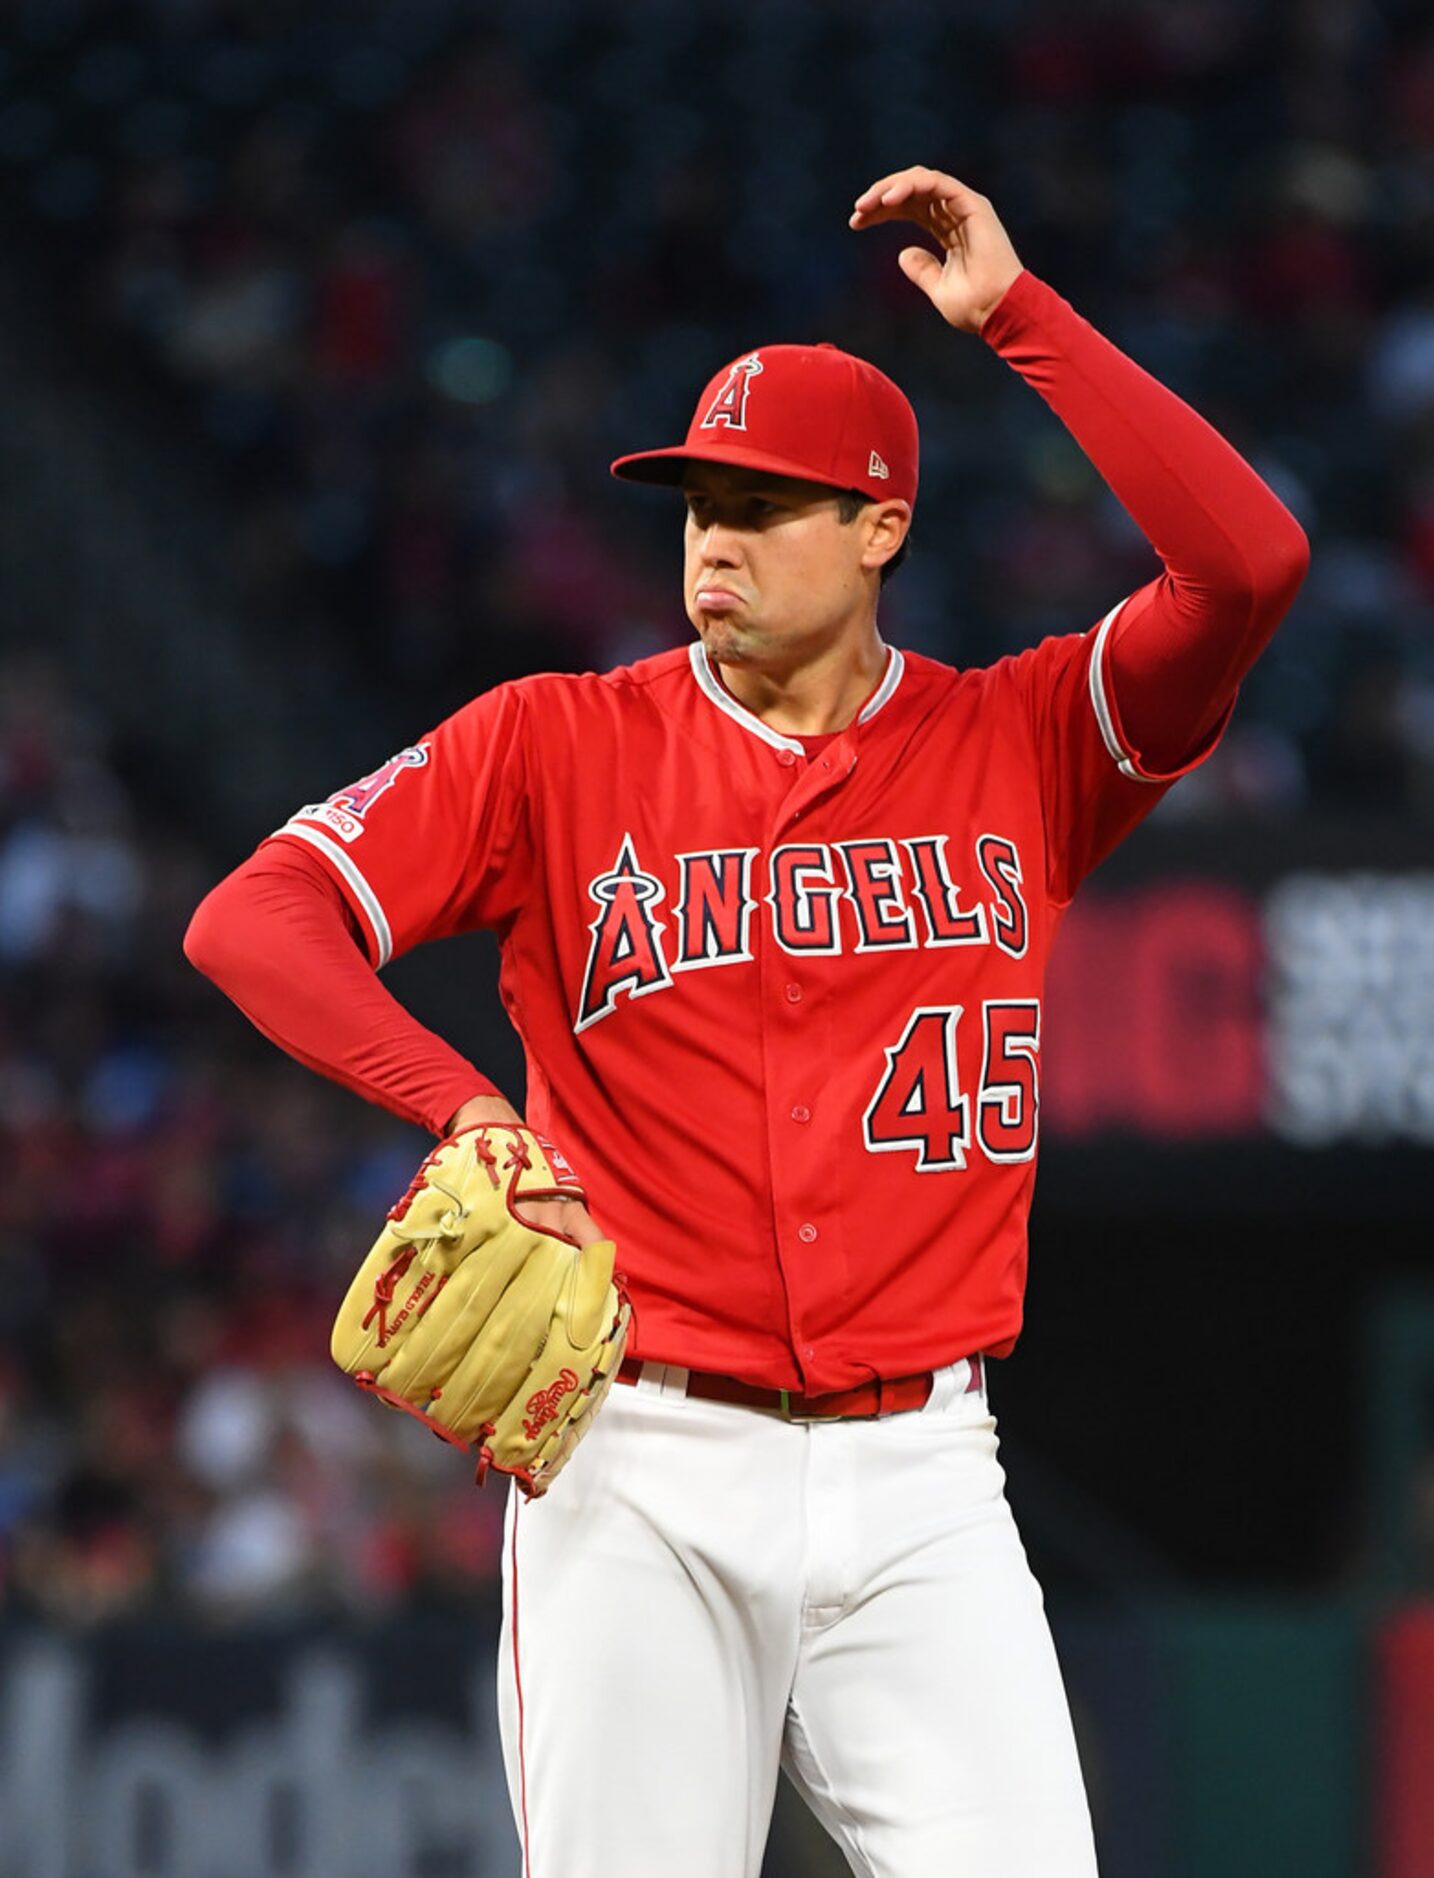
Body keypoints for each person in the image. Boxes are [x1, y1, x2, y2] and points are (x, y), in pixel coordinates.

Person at [185, 166, 1309, 1876]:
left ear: (880, 530)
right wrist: (462, 1107)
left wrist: (1018, 318)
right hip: (637, 1459)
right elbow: (253, 915)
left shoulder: (1022, 745)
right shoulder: (555, 741)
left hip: (925, 1471)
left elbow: (1246, 564)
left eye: (766, 500)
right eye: (697, 495)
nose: (712, 531)